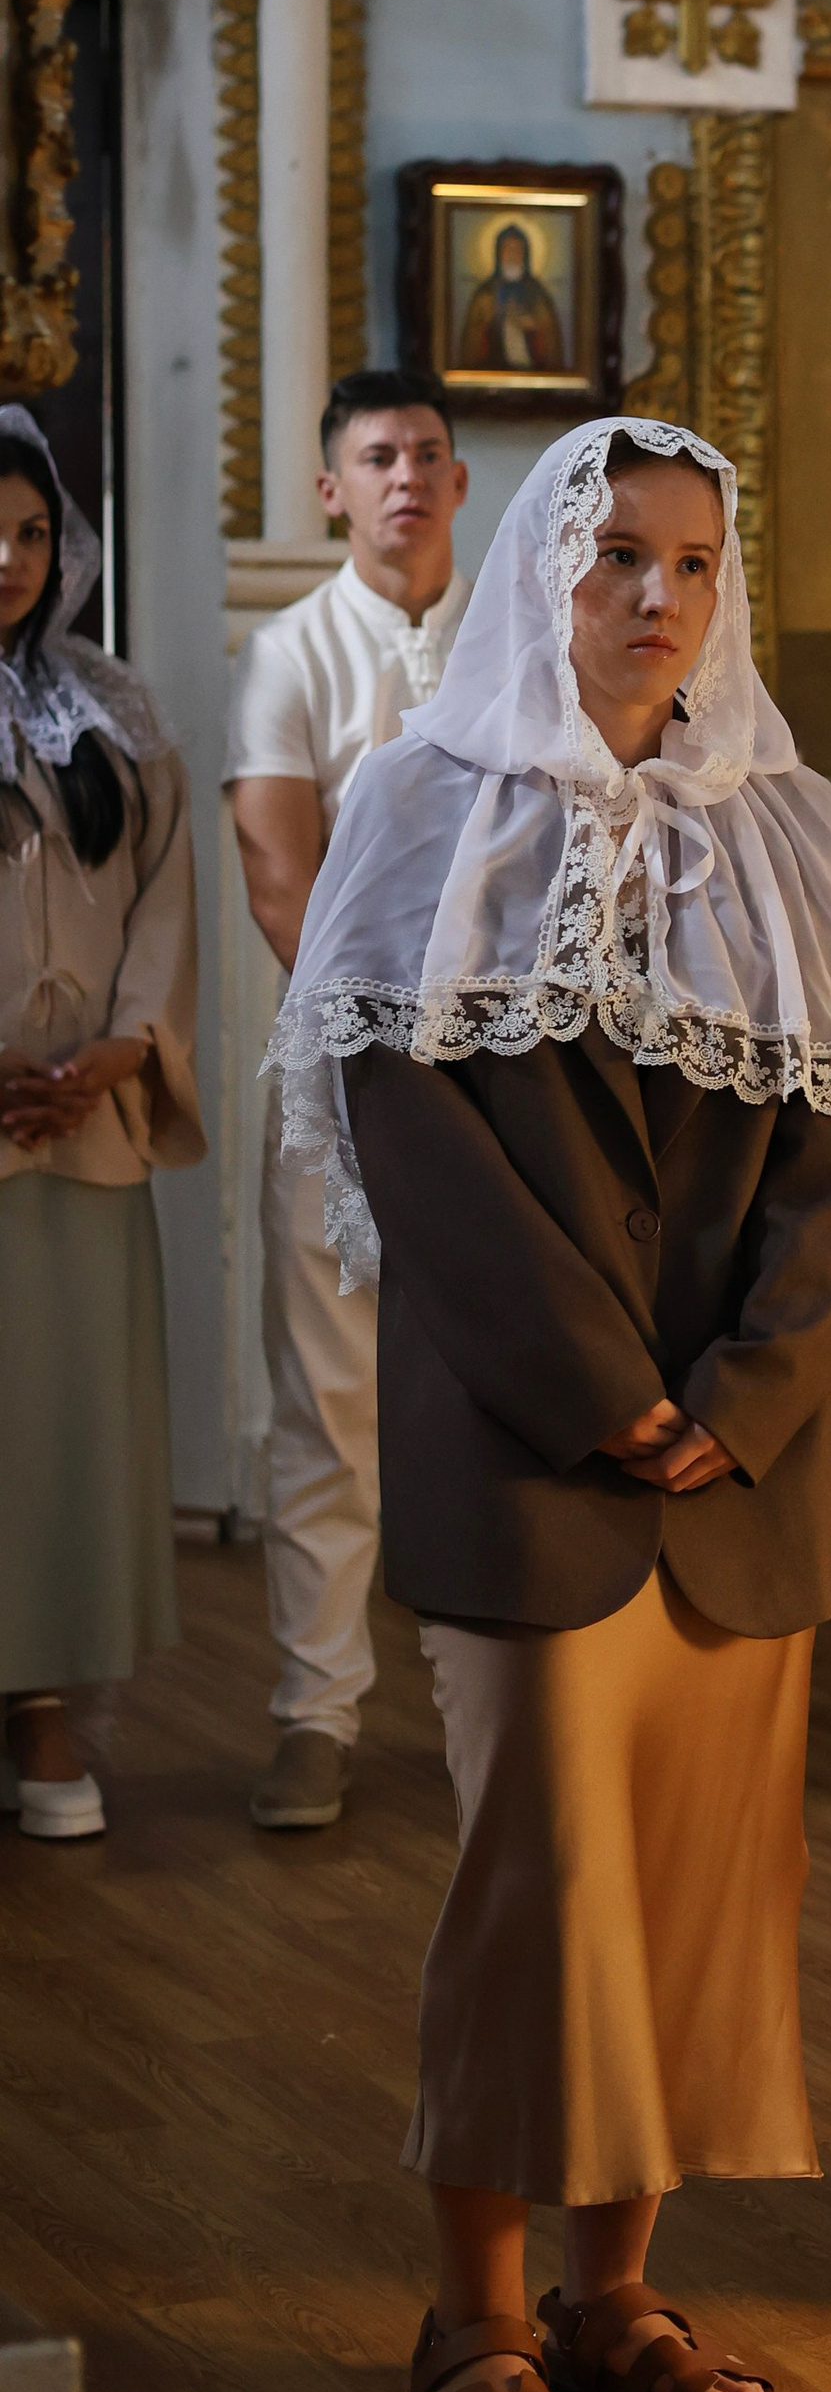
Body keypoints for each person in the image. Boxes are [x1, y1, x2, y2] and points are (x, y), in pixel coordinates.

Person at [266, 416, 831, 2392]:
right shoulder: (418, 799)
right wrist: (597, 1386)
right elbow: (400, 1125)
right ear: (540, 569)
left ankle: (616, 2298)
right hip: (539, 1455)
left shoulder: (783, 820)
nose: (655, 597)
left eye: (695, 562)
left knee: (706, 1907)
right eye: (615, 554)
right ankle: (472, 2315)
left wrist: (743, 1397)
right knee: (536, 1902)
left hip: (743, 1469)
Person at [227, 371, 472, 1831]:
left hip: (503, 1080)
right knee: (330, 1398)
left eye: (429, 456)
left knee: (486, 1393)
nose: (406, 479)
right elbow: (277, 870)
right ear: (332, 488)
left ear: (457, 480)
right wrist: (381, 1040)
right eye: (377, 457)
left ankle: (483, 1706)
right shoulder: (290, 651)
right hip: (342, 1070)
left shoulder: (524, 638)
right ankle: (315, 1714)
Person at [0, 407, 203, 1841]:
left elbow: (167, 902)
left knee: (67, 1432)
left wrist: (122, 1047)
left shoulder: (115, 711)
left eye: (25, 531)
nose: (4, 557)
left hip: (87, 1121)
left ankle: (52, 1727)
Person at [456, 221, 568, 376]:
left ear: (525, 255)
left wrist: (533, 327)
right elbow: (471, 340)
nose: (512, 255)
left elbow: (551, 340)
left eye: (517, 250)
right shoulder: (485, 293)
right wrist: (494, 322)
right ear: (498, 254)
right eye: (507, 249)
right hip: (492, 369)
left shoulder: (538, 293)